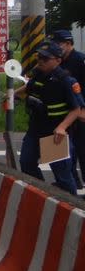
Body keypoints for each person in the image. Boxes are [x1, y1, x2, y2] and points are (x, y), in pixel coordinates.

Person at [13, 41, 84, 196]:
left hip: (54, 134)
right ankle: (42, 194)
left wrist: (62, 127)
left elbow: (76, 109)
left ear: (58, 61)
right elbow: (29, 86)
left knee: (62, 175)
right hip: (35, 129)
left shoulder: (66, 81)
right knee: (27, 163)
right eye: (39, 57)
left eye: (45, 59)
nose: (40, 61)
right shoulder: (38, 74)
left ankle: (72, 206)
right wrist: (14, 94)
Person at [50, 29, 85, 189]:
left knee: (82, 152)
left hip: (81, 114)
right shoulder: (58, 62)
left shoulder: (80, 60)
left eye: (58, 43)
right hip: (66, 115)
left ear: (69, 43)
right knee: (65, 154)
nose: (55, 47)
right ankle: (71, 185)